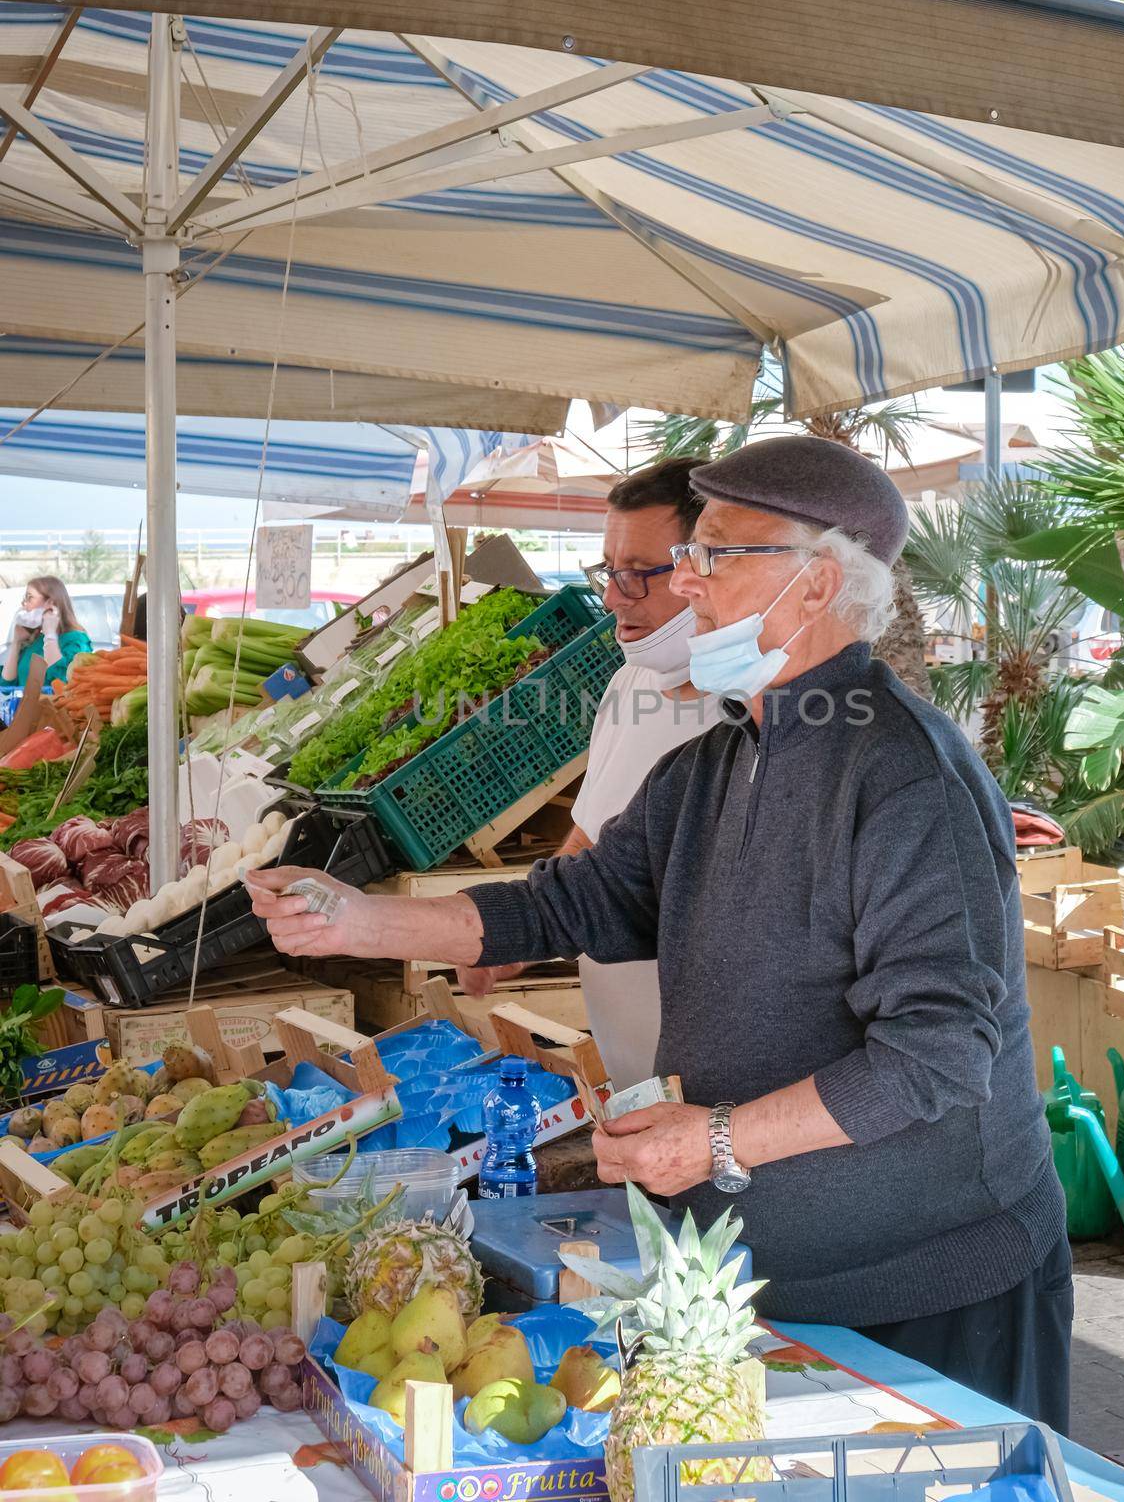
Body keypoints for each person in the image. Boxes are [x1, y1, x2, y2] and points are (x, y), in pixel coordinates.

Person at [248, 435, 1070, 1429]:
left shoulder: (903, 779)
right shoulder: (720, 760)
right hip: (764, 1275)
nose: (685, 579)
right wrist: (355, 918)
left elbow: (937, 1053)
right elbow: (570, 901)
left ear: (813, 586)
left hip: (929, 1293)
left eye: (714, 554)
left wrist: (718, 1137)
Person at [484, 458, 720, 1090]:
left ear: (709, 569)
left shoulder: (754, 718)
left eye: (641, 574)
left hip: (722, 1102)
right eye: (610, 573)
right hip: (630, 1070)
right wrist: (517, 934)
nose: (615, 597)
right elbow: (589, 841)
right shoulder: (630, 685)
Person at [1, 577, 93, 689]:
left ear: (51, 603)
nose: (24, 604)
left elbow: (62, 681)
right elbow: (6, 685)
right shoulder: (35, 639)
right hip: (24, 706)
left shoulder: (77, 640)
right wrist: (16, 642)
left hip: (54, 706)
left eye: (29, 598)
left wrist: (50, 635)